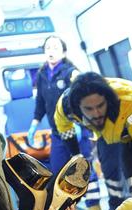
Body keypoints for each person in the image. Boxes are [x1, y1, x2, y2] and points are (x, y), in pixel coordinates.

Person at [54, 72, 132, 210]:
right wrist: (76, 155)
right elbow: (63, 127)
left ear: (107, 100)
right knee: (108, 164)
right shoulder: (65, 107)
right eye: (89, 109)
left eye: (100, 105)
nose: (96, 113)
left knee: (128, 159)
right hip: (108, 125)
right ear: (78, 107)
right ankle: (116, 208)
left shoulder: (128, 103)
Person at [28, 35, 93, 176]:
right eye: (48, 48)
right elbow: (40, 102)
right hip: (58, 132)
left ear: (63, 53)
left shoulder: (70, 72)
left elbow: (83, 98)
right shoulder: (41, 75)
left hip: (76, 129)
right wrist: (34, 125)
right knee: (58, 172)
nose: (51, 51)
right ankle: (70, 199)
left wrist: (79, 123)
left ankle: (92, 199)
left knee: (83, 170)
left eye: (55, 48)